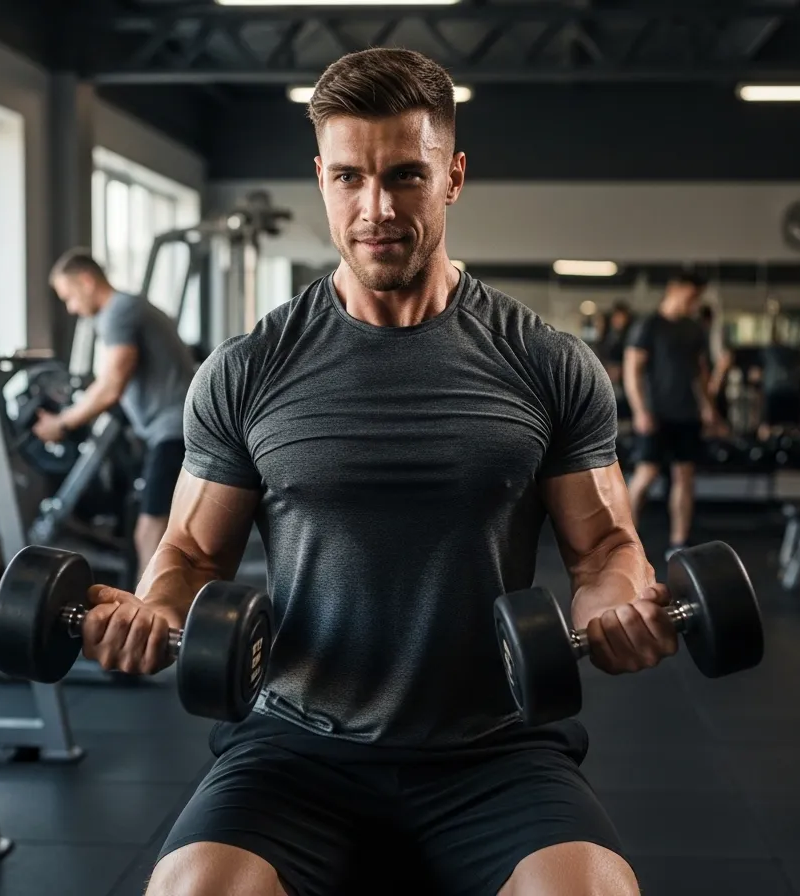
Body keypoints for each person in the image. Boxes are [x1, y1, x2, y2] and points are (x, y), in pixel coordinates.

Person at [82, 48, 676, 896]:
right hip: (295, 744)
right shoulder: (248, 368)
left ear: (454, 176)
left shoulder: (548, 363)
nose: (377, 208)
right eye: (350, 178)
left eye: (406, 175)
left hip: (493, 747)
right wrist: (149, 614)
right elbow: (190, 555)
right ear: (320, 178)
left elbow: (604, 549)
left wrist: (619, 608)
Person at [37, 251, 196, 579]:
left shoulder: (118, 312)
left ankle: (149, 620)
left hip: (172, 432)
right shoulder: (129, 307)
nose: (70, 308)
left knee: (151, 531)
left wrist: (62, 422)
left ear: (85, 281)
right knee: (160, 530)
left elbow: (111, 385)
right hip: (172, 428)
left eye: (69, 297)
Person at [623, 274, 720, 558]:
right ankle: (622, 540)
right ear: (673, 290)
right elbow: (633, 371)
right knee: (646, 474)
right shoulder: (649, 326)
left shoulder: (693, 329)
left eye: (697, 298)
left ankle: (679, 542)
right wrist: (640, 410)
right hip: (655, 414)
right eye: (690, 296)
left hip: (686, 413)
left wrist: (708, 407)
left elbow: (700, 373)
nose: (693, 302)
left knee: (684, 475)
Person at [597, 300, 634, 423]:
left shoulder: (631, 337)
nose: (619, 320)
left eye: (622, 317)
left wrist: (622, 369)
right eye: (616, 317)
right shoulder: (607, 336)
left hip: (624, 381)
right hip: (608, 380)